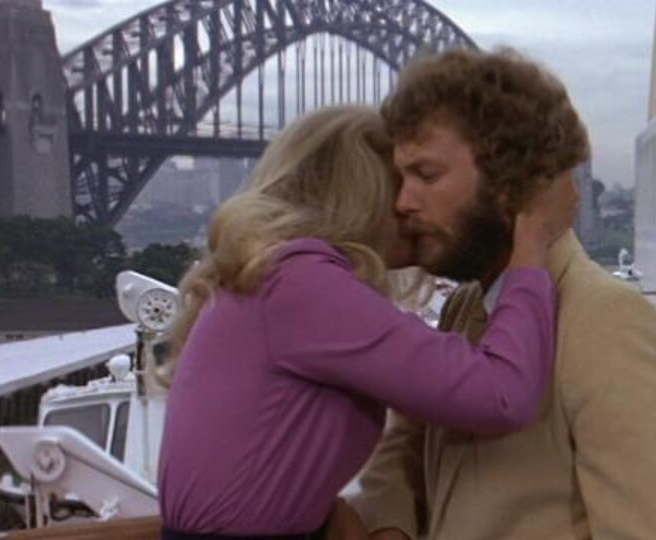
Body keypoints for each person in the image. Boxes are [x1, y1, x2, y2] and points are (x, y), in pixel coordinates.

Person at [347, 49, 656, 539]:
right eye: (401, 179)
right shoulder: (467, 307)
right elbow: (406, 445)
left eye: (427, 176)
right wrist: (390, 525)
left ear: (509, 182)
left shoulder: (604, 322)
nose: (402, 202)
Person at [157, 105, 577, 540]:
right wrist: (532, 244)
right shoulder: (300, 284)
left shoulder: (274, 276)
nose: (416, 205)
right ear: (362, 195)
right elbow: (500, 395)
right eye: (405, 186)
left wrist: (320, 510)